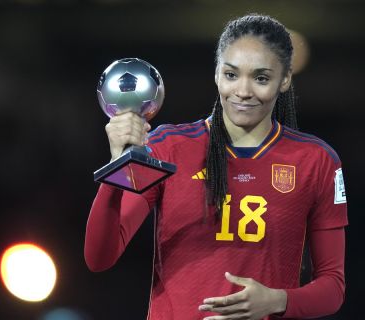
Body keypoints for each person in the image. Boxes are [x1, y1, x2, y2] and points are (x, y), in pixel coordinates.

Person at [84, 14, 348, 320]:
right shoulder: (168, 146)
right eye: (232, 75)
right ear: (216, 73)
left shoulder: (316, 161)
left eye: (261, 78)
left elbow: (333, 287)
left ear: (285, 79)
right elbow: (99, 257)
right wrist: (117, 168)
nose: (244, 91)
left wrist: (277, 300)